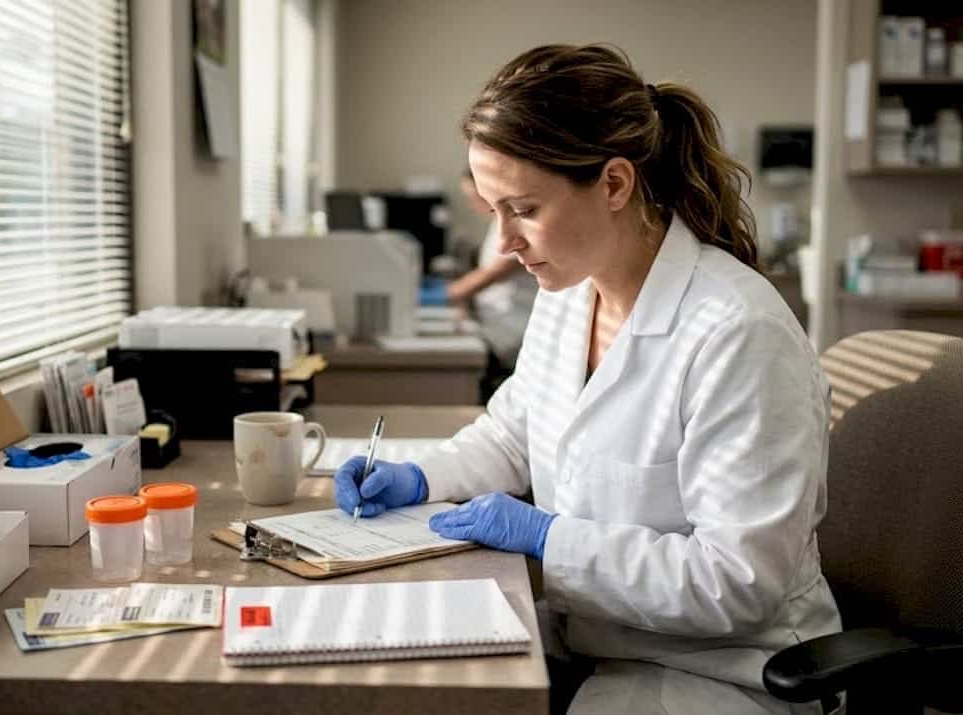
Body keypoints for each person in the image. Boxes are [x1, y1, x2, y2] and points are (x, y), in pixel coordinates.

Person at [334, 43, 841, 714]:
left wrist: (549, 537)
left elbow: (738, 580)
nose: (507, 242)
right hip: (600, 642)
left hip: (726, 675)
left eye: (525, 209)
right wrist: (423, 477)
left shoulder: (737, 333)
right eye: (494, 213)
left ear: (613, 184)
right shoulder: (569, 294)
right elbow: (514, 435)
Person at [446, 170, 537, 396]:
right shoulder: (498, 224)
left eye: (475, 195)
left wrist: (443, 294)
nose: (473, 203)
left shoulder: (519, 226)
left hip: (512, 329)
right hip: (496, 324)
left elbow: (495, 272)